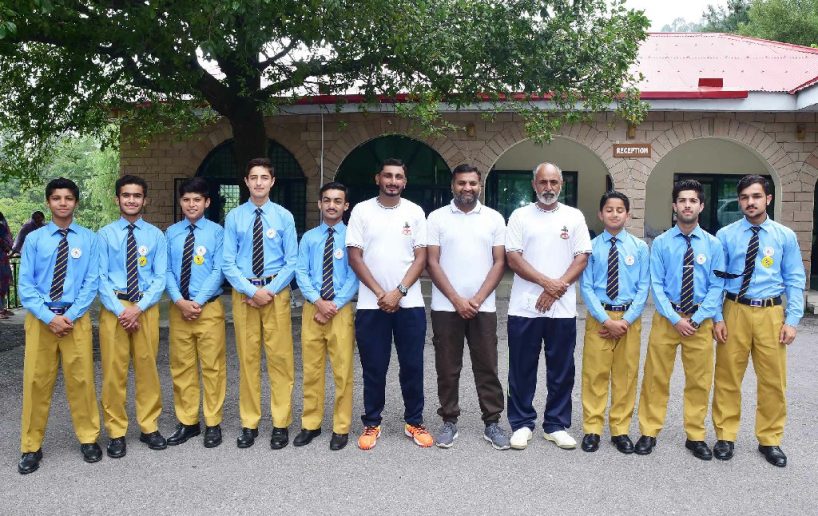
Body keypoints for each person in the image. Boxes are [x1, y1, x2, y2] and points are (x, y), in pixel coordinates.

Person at [712, 175, 805, 467]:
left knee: (773, 380)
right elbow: (716, 279)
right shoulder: (725, 235)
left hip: (770, 313)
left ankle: (770, 439)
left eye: (756, 196)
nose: (750, 202)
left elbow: (795, 278)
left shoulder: (784, 236)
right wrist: (717, 317)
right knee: (727, 376)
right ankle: (725, 435)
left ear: (768, 199)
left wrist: (792, 319)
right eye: (744, 197)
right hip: (734, 310)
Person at [634, 179, 724, 460]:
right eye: (682, 201)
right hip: (667, 318)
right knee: (655, 377)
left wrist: (697, 318)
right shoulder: (661, 243)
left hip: (699, 320)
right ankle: (649, 431)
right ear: (674, 206)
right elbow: (656, 284)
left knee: (699, 380)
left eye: (692, 201)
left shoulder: (713, 244)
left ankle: (695, 435)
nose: (687, 205)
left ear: (701, 206)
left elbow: (717, 286)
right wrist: (675, 318)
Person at [17, 178, 102, 474]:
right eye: (56, 198)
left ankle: (89, 438)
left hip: (75, 319)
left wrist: (71, 314)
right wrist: (49, 317)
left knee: (82, 380)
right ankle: (31, 446)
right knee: (36, 382)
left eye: (68, 198)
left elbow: (92, 281)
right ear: (48, 202)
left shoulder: (89, 239)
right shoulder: (34, 240)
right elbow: (25, 285)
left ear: (76, 202)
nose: (62, 203)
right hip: (41, 320)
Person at [505, 162, 591, 450]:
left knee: (562, 370)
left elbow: (582, 257)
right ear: (534, 185)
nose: (548, 187)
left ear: (561, 184)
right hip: (524, 308)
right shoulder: (519, 216)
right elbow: (513, 258)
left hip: (562, 310)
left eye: (554, 182)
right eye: (543, 182)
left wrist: (556, 289)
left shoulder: (574, 216)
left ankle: (556, 425)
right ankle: (521, 423)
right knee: (521, 368)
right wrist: (547, 283)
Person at [346, 158, 431, 450]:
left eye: (398, 177)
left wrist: (400, 291)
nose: (393, 181)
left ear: (404, 182)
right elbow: (355, 257)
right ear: (378, 179)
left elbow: (421, 257)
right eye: (388, 176)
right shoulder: (361, 211)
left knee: (412, 366)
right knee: (374, 367)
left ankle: (414, 422)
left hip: (410, 304)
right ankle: (372, 423)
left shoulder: (415, 212)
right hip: (372, 305)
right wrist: (382, 293)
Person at [426, 164, 510, 450]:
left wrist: (476, 300)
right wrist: (457, 300)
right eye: (461, 183)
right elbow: (432, 262)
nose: (467, 188)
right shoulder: (437, 218)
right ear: (453, 185)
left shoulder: (494, 218)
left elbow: (500, 262)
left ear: (480, 186)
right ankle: (449, 421)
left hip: (482, 307)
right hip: (445, 307)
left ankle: (492, 422)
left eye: (472, 183)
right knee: (447, 368)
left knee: (487, 366)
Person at [223, 157, 297, 450]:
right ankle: (249, 423)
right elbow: (228, 262)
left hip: (276, 294)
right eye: (253, 177)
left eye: (264, 177)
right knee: (248, 360)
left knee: (280, 360)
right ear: (246, 181)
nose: (258, 182)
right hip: (245, 294)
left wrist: (268, 291)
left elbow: (292, 261)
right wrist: (251, 291)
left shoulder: (284, 217)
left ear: (272, 182)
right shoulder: (234, 217)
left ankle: (280, 423)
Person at [97, 174, 168, 458]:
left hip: (145, 309)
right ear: (117, 199)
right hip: (114, 309)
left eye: (137, 196)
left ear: (145, 200)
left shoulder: (156, 236)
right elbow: (100, 277)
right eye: (126, 195)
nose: (131, 200)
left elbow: (160, 278)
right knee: (114, 372)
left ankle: (149, 426)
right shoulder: (105, 235)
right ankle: (116, 432)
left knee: (147, 370)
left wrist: (138, 308)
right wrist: (121, 310)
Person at [578, 191, 650, 454]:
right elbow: (586, 287)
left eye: (620, 210)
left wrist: (626, 320)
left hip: (629, 319)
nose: (614, 214)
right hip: (600, 318)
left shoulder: (640, 248)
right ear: (600, 214)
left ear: (628, 215)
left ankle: (620, 430)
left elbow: (643, 287)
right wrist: (605, 320)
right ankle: (592, 429)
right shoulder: (591, 247)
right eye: (609, 209)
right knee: (594, 374)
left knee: (626, 375)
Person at [294, 181, 358, 451]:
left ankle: (341, 427)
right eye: (327, 200)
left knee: (342, 371)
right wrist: (318, 302)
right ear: (320, 204)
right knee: (311, 370)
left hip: (340, 311)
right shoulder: (309, 238)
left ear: (346, 206)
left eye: (338, 201)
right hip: (313, 308)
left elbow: (355, 275)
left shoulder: (352, 237)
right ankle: (311, 423)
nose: (332, 205)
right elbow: (301, 272)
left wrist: (334, 305)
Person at [164, 177, 227, 448]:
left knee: (213, 367)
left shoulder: (217, 232)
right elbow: (165, 270)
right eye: (187, 200)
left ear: (207, 202)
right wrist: (180, 301)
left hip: (208, 308)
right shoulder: (171, 233)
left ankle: (213, 423)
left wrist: (197, 302)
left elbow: (219, 269)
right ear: (181, 202)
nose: (192, 204)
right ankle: (188, 422)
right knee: (182, 367)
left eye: (197, 200)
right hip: (179, 308)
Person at [0, 211, 14, 318]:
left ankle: (2, 308)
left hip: (2, 259)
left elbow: (9, 242)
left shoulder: (2, 228)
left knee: (3, 283)